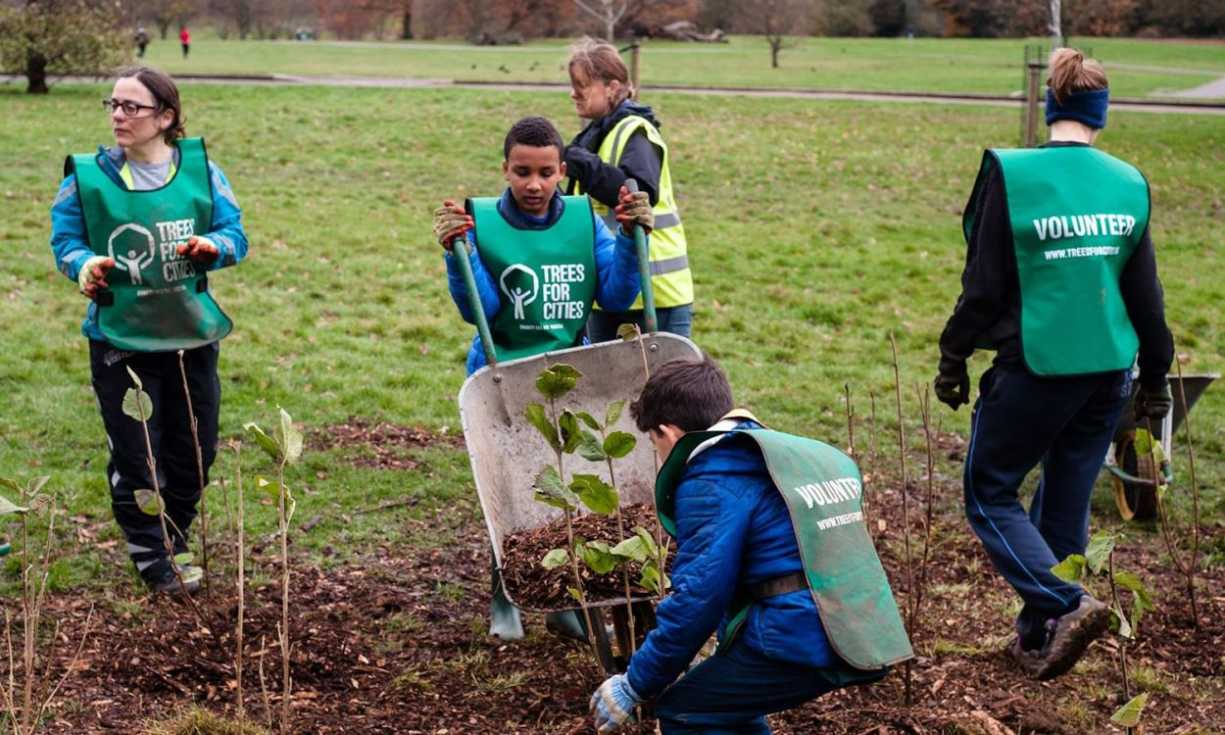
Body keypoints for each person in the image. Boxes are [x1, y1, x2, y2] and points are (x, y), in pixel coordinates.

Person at [933, 48, 1173, 680]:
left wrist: (952, 357)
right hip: (1108, 372)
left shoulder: (1012, 176)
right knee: (1064, 502)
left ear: (1051, 108)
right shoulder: (1128, 182)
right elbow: (1145, 296)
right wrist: (1156, 377)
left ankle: (1068, 603)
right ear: (1102, 113)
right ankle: (1040, 640)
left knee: (989, 493)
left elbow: (982, 286)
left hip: (1037, 367)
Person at [591, 357, 912, 734]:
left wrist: (635, 684)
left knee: (684, 709)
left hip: (803, 635)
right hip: (864, 623)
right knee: (723, 703)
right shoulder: (781, 455)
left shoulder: (711, 476)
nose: (658, 455)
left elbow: (698, 597)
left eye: (654, 442)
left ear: (670, 433)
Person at [433, 115, 652, 637]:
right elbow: (482, 310)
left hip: (568, 372)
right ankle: (505, 593)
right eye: (522, 172)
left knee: (568, 486)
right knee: (509, 491)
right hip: (501, 374)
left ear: (560, 172)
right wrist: (456, 255)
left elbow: (617, 297)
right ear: (505, 170)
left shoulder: (582, 221)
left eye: (546, 172)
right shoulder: (481, 221)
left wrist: (628, 237)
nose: (534, 185)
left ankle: (560, 597)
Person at [50, 66, 248, 595]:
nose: (118, 115)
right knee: (139, 453)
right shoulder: (87, 177)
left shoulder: (204, 172)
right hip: (120, 339)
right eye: (113, 104)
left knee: (195, 453)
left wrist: (215, 248)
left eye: (132, 107)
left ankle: (175, 535)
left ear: (166, 117)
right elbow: (64, 241)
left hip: (191, 336)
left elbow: (235, 234)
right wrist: (84, 264)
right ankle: (154, 557)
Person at [565, 38, 694, 341]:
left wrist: (579, 161)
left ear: (611, 87)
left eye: (581, 85)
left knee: (660, 390)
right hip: (610, 291)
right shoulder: (596, 136)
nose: (573, 93)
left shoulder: (636, 132)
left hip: (654, 296)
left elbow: (639, 197)